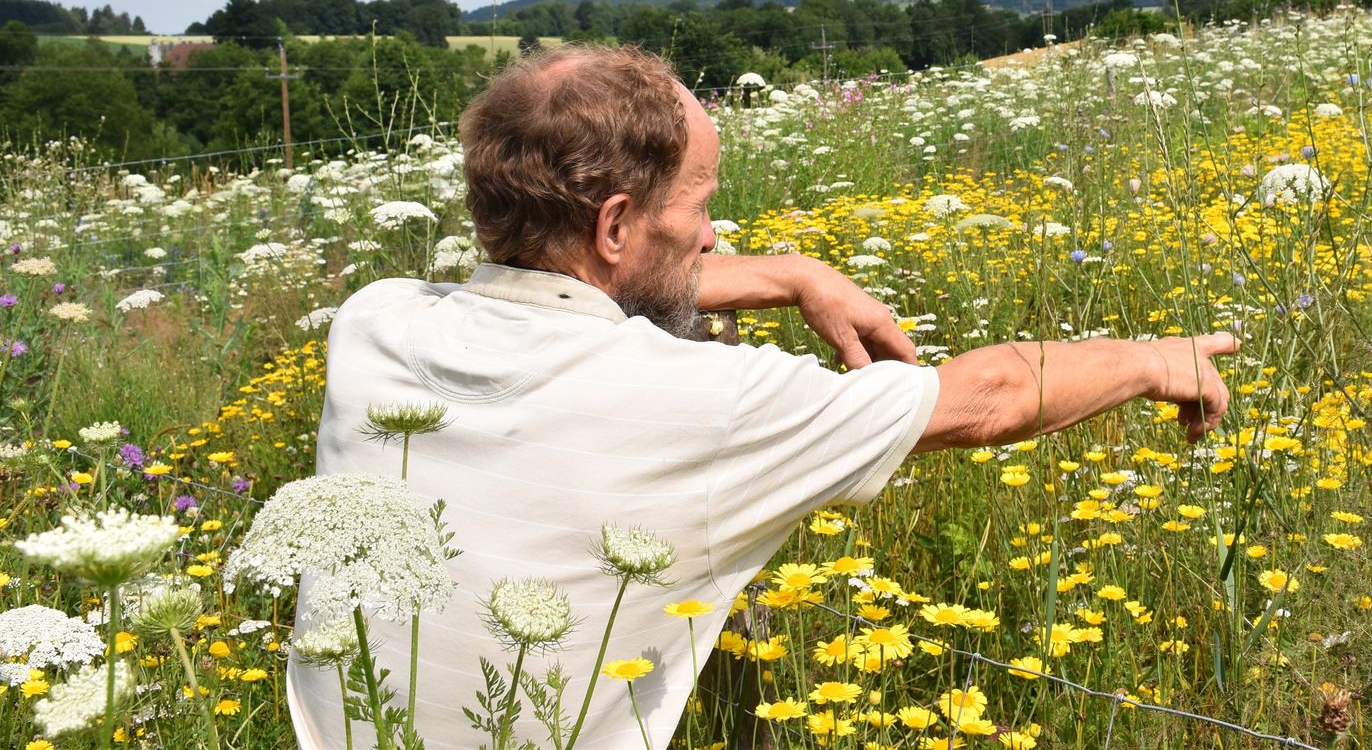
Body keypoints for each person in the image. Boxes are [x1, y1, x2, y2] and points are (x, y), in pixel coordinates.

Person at [289, 44, 1233, 750]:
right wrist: (1155, 359)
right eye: (700, 206)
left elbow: (574, 285)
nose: (710, 238)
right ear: (617, 220)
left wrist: (790, 274)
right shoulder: (701, 397)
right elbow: (981, 399)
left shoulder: (371, 325)